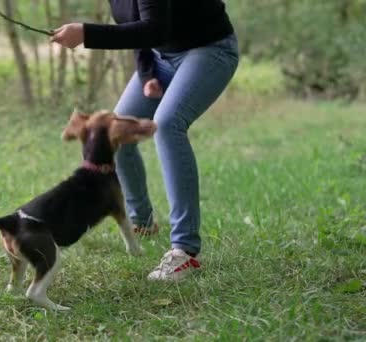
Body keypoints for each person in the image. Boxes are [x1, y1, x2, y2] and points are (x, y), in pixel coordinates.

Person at [51, 0, 239, 281]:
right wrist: (148, 73)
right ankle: (142, 222)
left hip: (209, 50)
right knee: (119, 131)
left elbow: (153, 29)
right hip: (161, 58)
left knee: (167, 125)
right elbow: (136, 29)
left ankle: (184, 251)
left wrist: (86, 34)